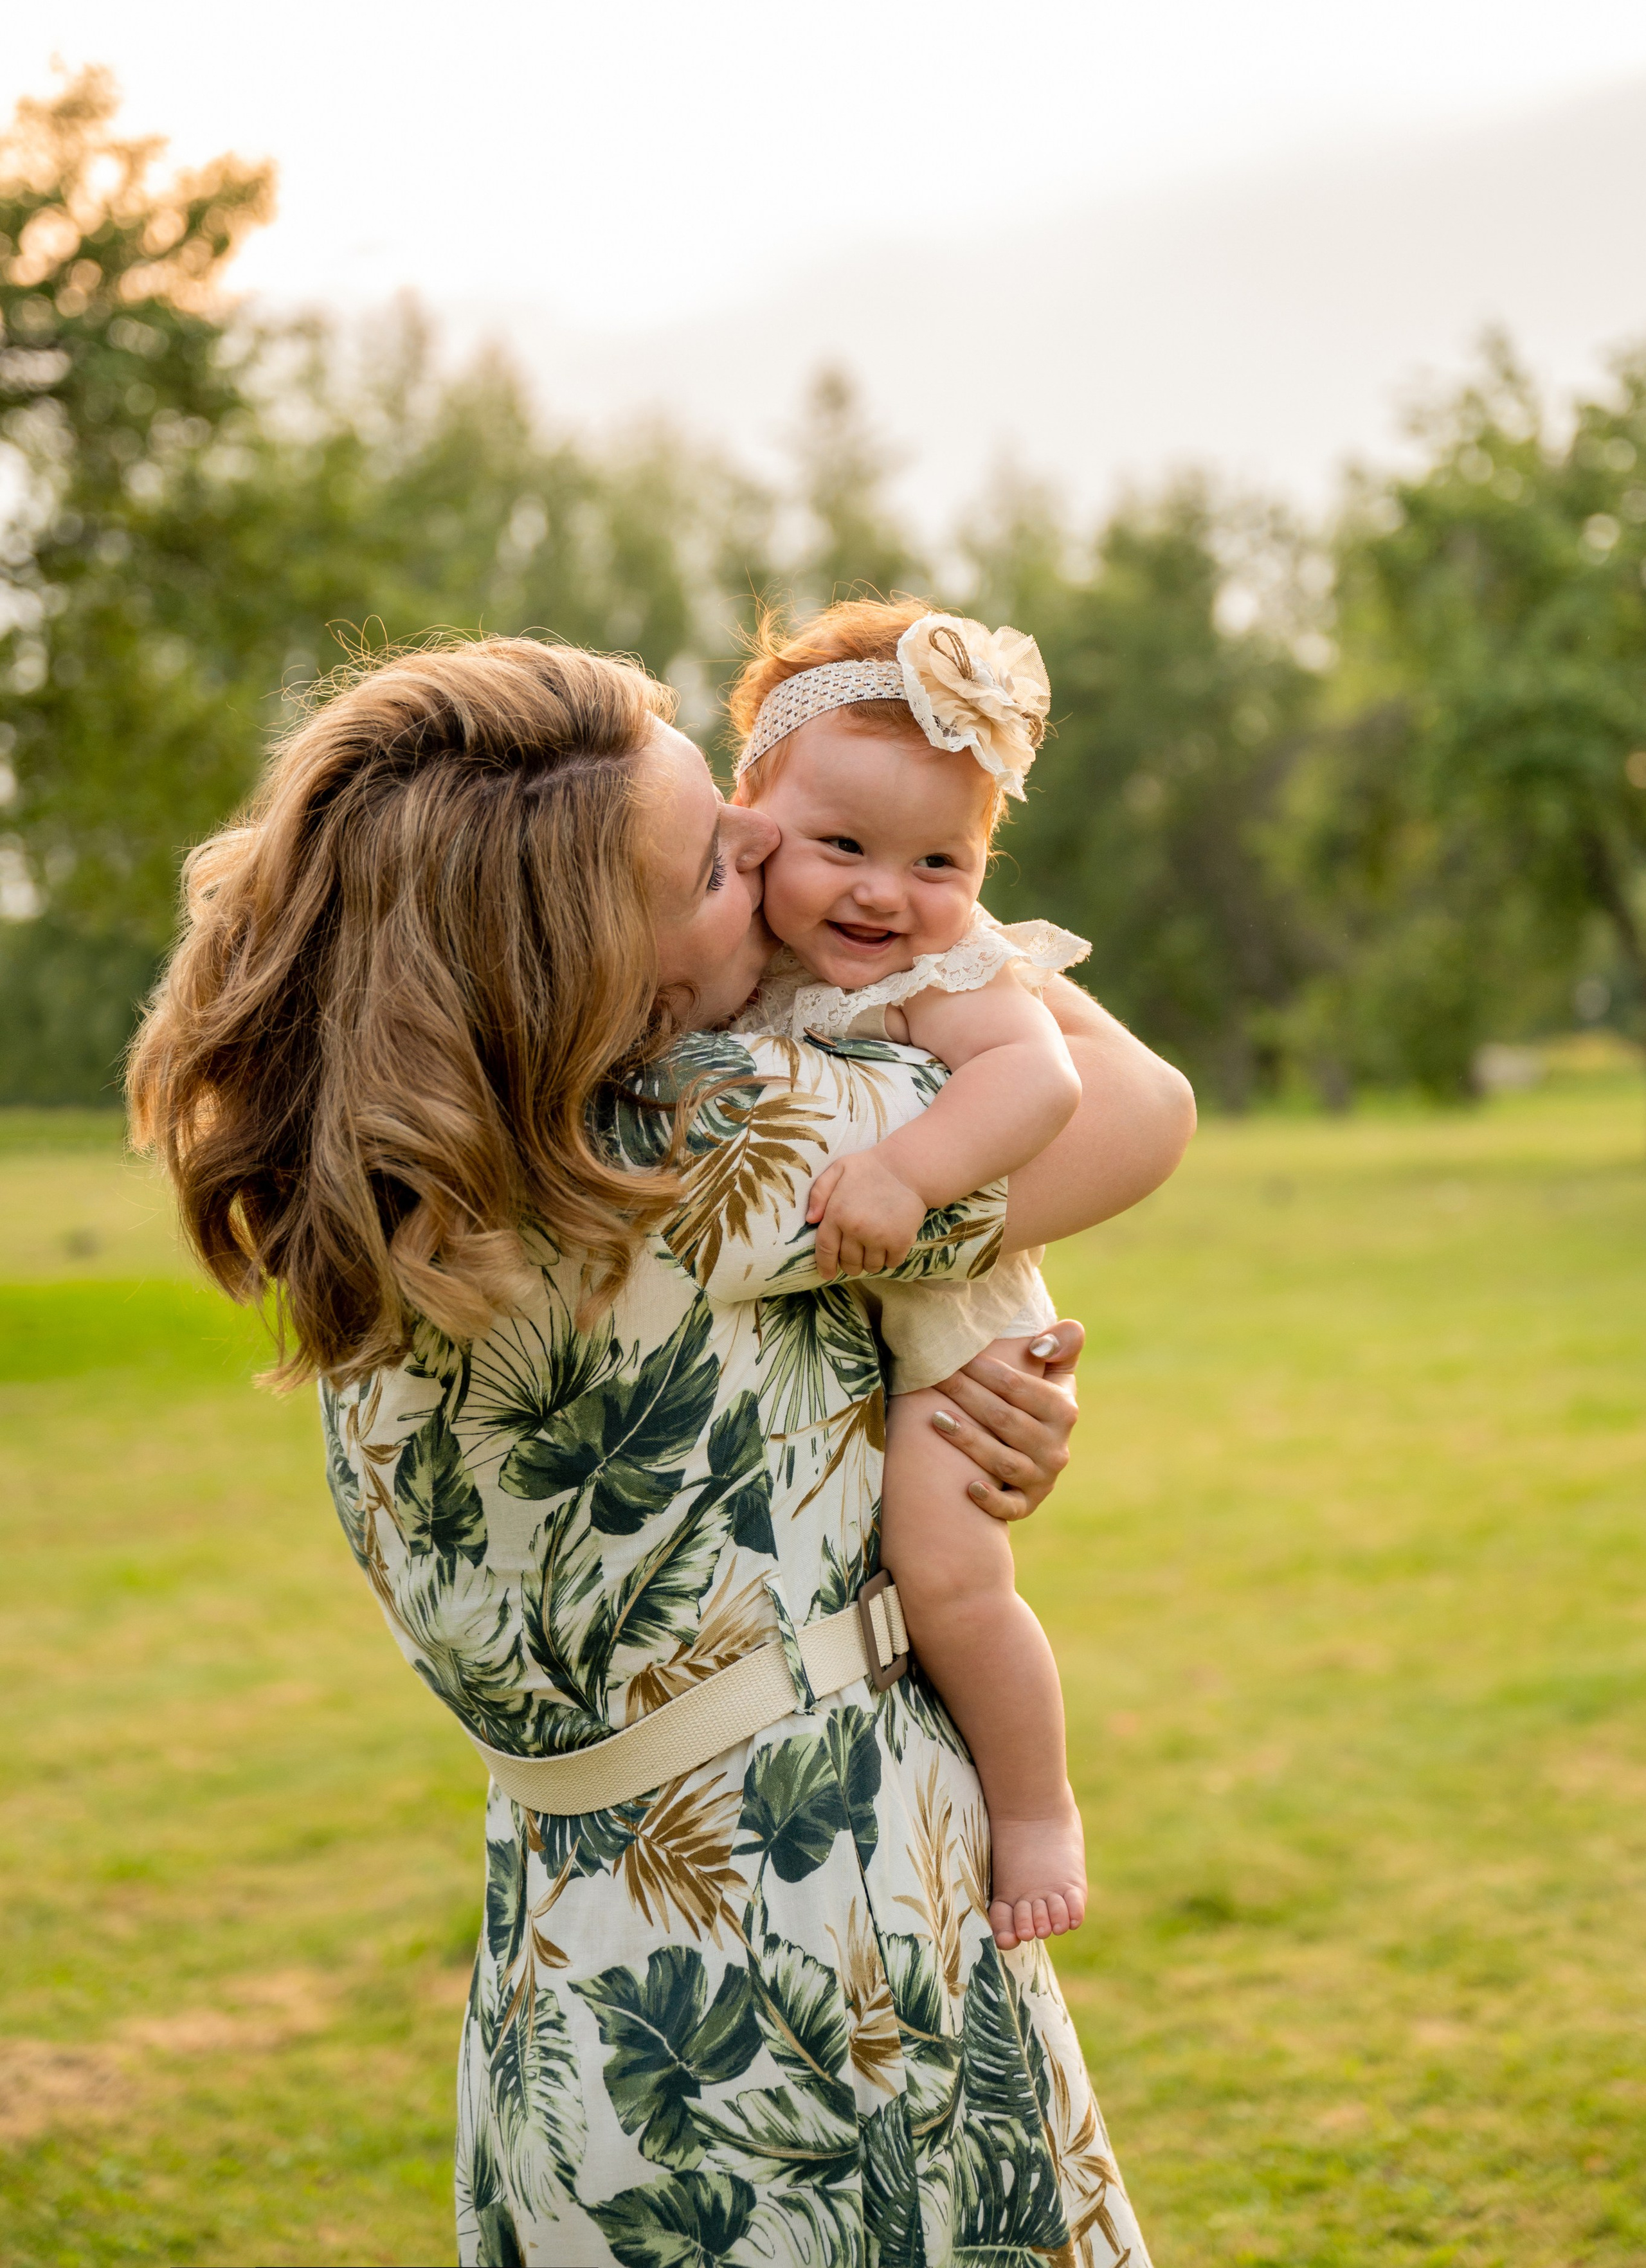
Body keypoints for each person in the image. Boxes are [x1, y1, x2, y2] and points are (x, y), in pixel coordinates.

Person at [128, 634, 1194, 2268]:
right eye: (716, 857)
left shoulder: (374, 1163)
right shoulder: (700, 1136)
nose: (766, 856)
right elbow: (1132, 1104)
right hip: (810, 1915)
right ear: (584, 969)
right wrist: (940, 894)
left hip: (575, 1945)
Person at [728, 598, 1098, 1954]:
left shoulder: (941, 968)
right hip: (827, 1336)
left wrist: (908, 1172)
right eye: (843, 846)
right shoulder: (733, 948)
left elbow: (1040, 1076)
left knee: (942, 1570)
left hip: (951, 1321)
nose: (885, 892)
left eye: (938, 858)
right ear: (747, 810)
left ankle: (1037, 1805)